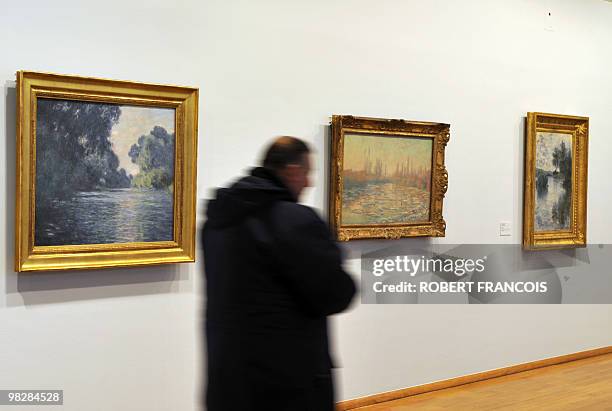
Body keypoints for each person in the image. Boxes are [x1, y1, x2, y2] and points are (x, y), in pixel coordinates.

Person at [202, 136, 356, 411]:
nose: (309, 183)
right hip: (288, 386)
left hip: (228, 381)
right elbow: (337, 294)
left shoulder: (216, 221)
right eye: (308, 173)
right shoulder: (295, 220)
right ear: (293, 170)